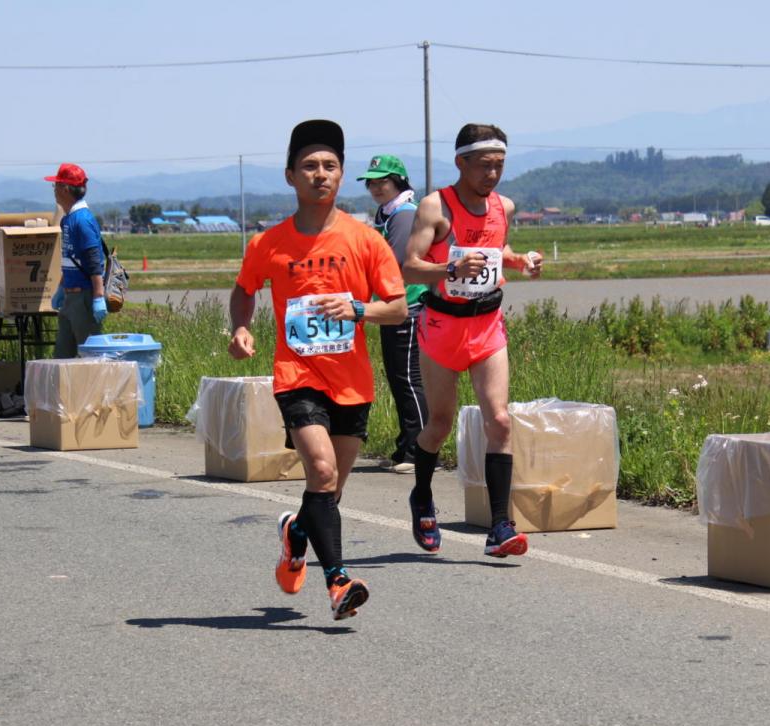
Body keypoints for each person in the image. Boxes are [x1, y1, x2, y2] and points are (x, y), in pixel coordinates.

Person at [228, 120, 407, 621]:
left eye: (330, 166)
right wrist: (242, 329)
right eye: (309, 166)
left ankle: (297, 533)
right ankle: (338, 582)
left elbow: (396, 308)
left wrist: (356, 309)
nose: (320, 174)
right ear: (290, 176)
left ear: (342, 175)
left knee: (329, 490)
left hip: (352, 381)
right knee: (322, 471)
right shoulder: (269, 243)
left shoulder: (365, 240)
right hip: (297, 374)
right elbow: (244, 290)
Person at [402, 123, 543, 558]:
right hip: (443, 326)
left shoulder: (505, 206)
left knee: (498, 420)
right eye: (484, 165)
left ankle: (500, 525)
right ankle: (422, 495)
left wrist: (520, 260)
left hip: (487, 325)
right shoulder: (435, 208)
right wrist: (448, 271)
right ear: (461, 162)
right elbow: (408, 267)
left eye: (500, 165)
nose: (493, 174)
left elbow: (496, 251)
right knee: (440, 424)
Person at [357, 154, 428, 474]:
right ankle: (407, 446)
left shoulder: (403, 216)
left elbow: (396, 265)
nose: (375, 187)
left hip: (407, 307)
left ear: (398, 181)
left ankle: (417, 451)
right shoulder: (388, 213)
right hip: (393, 308)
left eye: (381, 181)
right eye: (371, 182)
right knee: (401, 379)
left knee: (409, 381)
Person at [45, 163, 106, 357]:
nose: (54, 190)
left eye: (56, 185)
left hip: (84, 297)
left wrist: (98, 297)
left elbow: (94, 260)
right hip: (71, 296)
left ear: (65, 189)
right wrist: (62, 288)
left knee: (90, 357)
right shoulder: (68, 220)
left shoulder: (82, 220)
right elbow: (70, 260)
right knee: (62, 356)